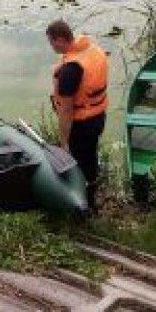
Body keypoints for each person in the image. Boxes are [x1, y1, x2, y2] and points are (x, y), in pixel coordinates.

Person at [46, 20, 108, 212]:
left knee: (79, 165)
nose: (51, 46)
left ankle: (82, 206)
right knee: (91, 158)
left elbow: (66, 110)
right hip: (98, 116)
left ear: (61, 40)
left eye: (52, 42)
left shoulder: (71, 70)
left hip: (81, 124)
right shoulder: (90, 49)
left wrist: (64, 142)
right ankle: (92, 201)